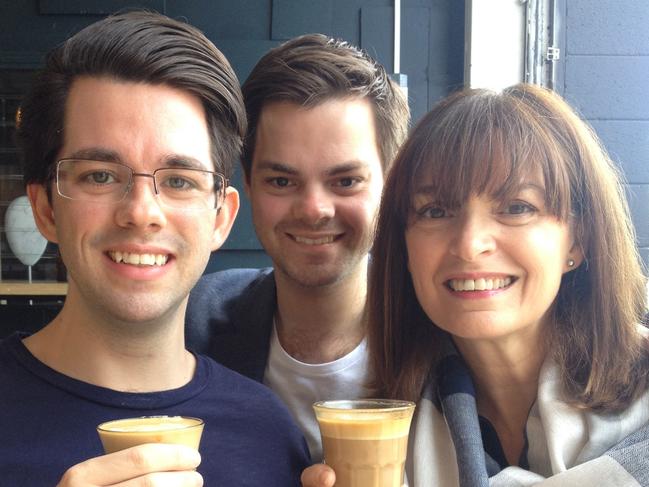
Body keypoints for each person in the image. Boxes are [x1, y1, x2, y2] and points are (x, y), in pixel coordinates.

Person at [0, 11, 310, 486]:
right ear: (45, 210)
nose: (142, 211)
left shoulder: (270, 433)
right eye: (100, 176)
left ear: (221, 218)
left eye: (180, 181)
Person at [302, 84, 649, 486]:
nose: (469, 244)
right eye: (435, 211)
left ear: (578, 240)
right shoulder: (378, 437)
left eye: (517, 207)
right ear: (405, 246)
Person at [185, 33, 410, 461]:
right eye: (282, 181)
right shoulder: (194, 323)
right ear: (247, 185)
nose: (313, 209)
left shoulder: (443, 338)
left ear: (392, 184)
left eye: (346, 181)